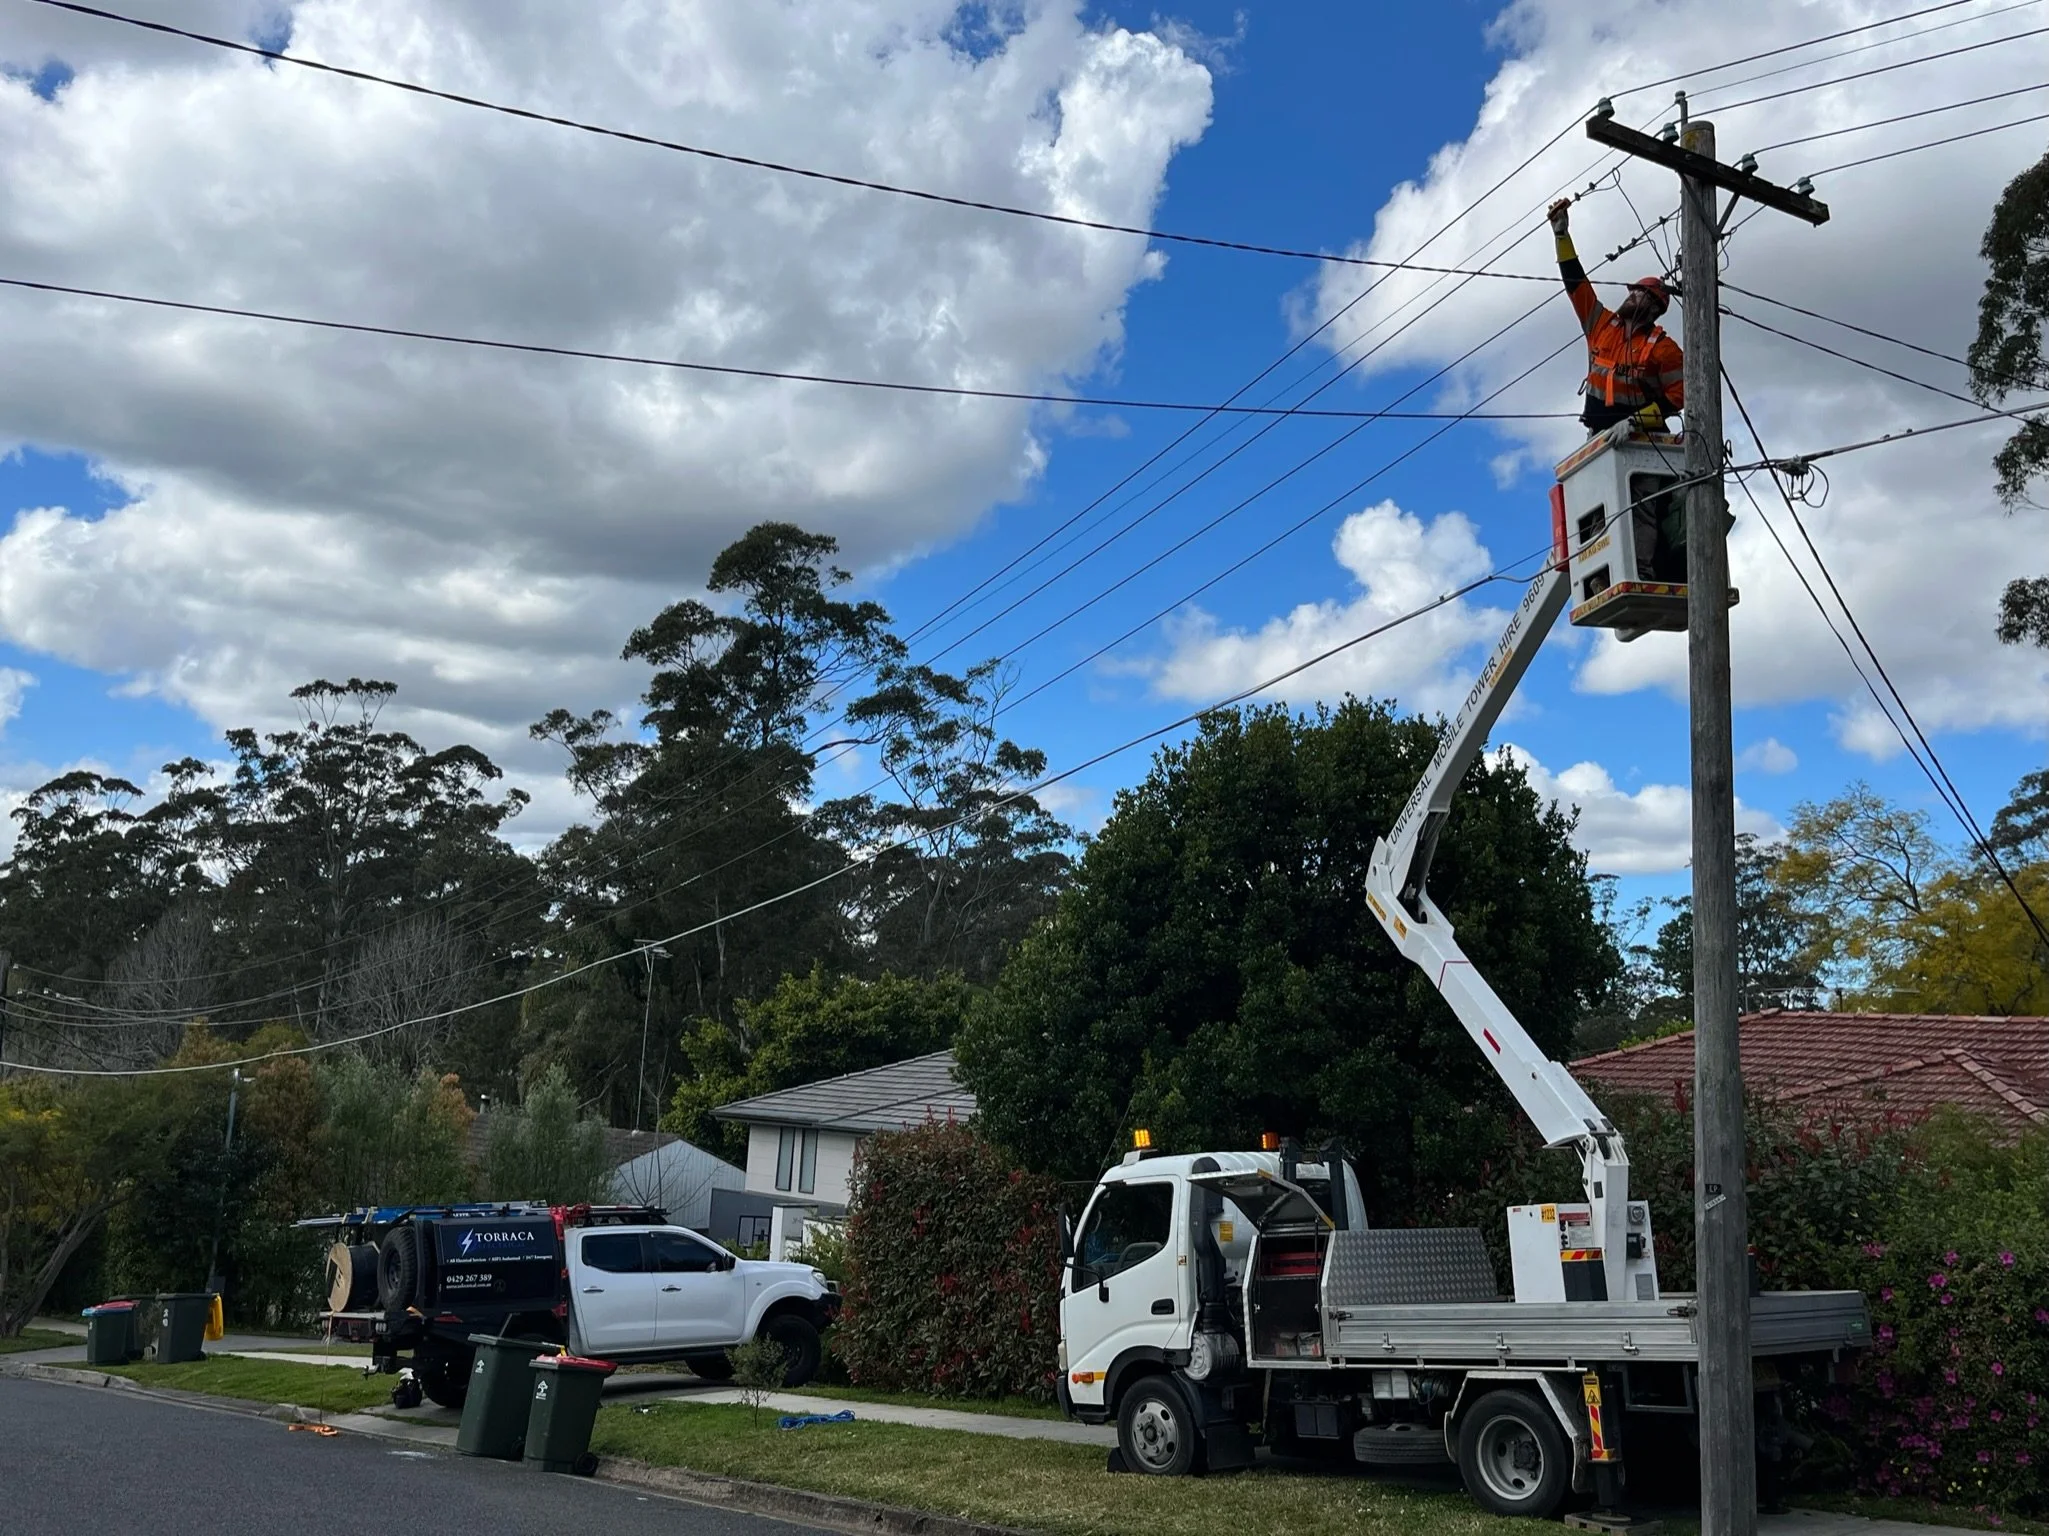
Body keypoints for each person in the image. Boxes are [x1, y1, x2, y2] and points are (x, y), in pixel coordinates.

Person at [1548, 198, 1684, 436]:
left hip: (1643, 438)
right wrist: (1561, 236)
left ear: (1654, 307)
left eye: (1640, 294)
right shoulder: (1601, 324)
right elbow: (1576, 285)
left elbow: (1683, 392)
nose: (1631, 296)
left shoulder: (1663, 348)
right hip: (1598, 435)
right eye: (1632, 291)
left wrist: (1636, 422)